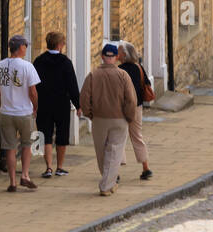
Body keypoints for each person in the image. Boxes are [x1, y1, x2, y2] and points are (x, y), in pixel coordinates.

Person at [79, 42, 137, 196]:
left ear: (102, 57)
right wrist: (129, 116)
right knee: (115, 150)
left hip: (99, 119)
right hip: (119, 118)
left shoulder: (93, 75)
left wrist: (89, 114)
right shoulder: (123, 75)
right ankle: (107, 184)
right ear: (116, 57)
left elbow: (84, 98)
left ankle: (107, 182)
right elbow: (131, 99)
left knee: (101, 152)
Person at [0, 36, 40, 191]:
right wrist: (35, 107)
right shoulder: (27, 66)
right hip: (24, 112)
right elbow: (33, 91)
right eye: (25, 46)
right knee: (27, 144)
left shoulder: (1, 65)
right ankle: (24, 175)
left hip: (6, 112)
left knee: (10, 147)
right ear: (20, 48)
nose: (26, 48)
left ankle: (12, 182)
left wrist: (1, 106)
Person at [33, 31, 82, 177]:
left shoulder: (39, 61)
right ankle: (59, 167)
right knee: (62, 134)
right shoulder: (65, 62)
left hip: (43, 103)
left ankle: (48, 167)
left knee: (45, 134)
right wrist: (78, 105)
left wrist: (33, 104)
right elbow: (72, 85)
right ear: (60, 45)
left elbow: (33, 84)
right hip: (61, 103)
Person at [117, 40, 153, 181]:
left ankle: (116, 171)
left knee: (119, 138)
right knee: (137, 136)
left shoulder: (120, 70)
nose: (116, 53)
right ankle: (146, 168)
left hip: (121, 108)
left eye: (119, 51)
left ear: (124, 54)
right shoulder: (139, 67)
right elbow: (147, 84)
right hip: (137, 107)